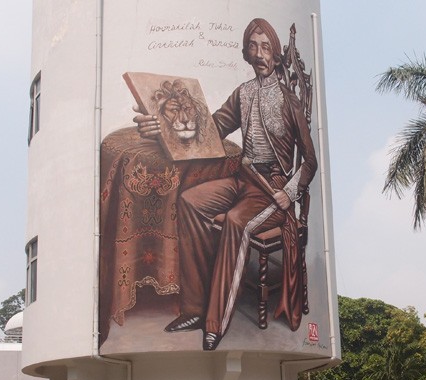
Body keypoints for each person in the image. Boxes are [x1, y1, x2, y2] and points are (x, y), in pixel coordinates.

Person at [135, 18, 317, 351]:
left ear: (275, 54)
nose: (259, 53)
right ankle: (194, 307)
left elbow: (310, 160)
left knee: (235, 222)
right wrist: (162, 126)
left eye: (265, 47)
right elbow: (212, 128)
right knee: (189, 201)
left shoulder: (290, 101)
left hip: (272, 190)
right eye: (253, 46)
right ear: (246, 53)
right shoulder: (243, 93)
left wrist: (290, 193)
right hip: (244, 180)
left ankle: (214, 323)